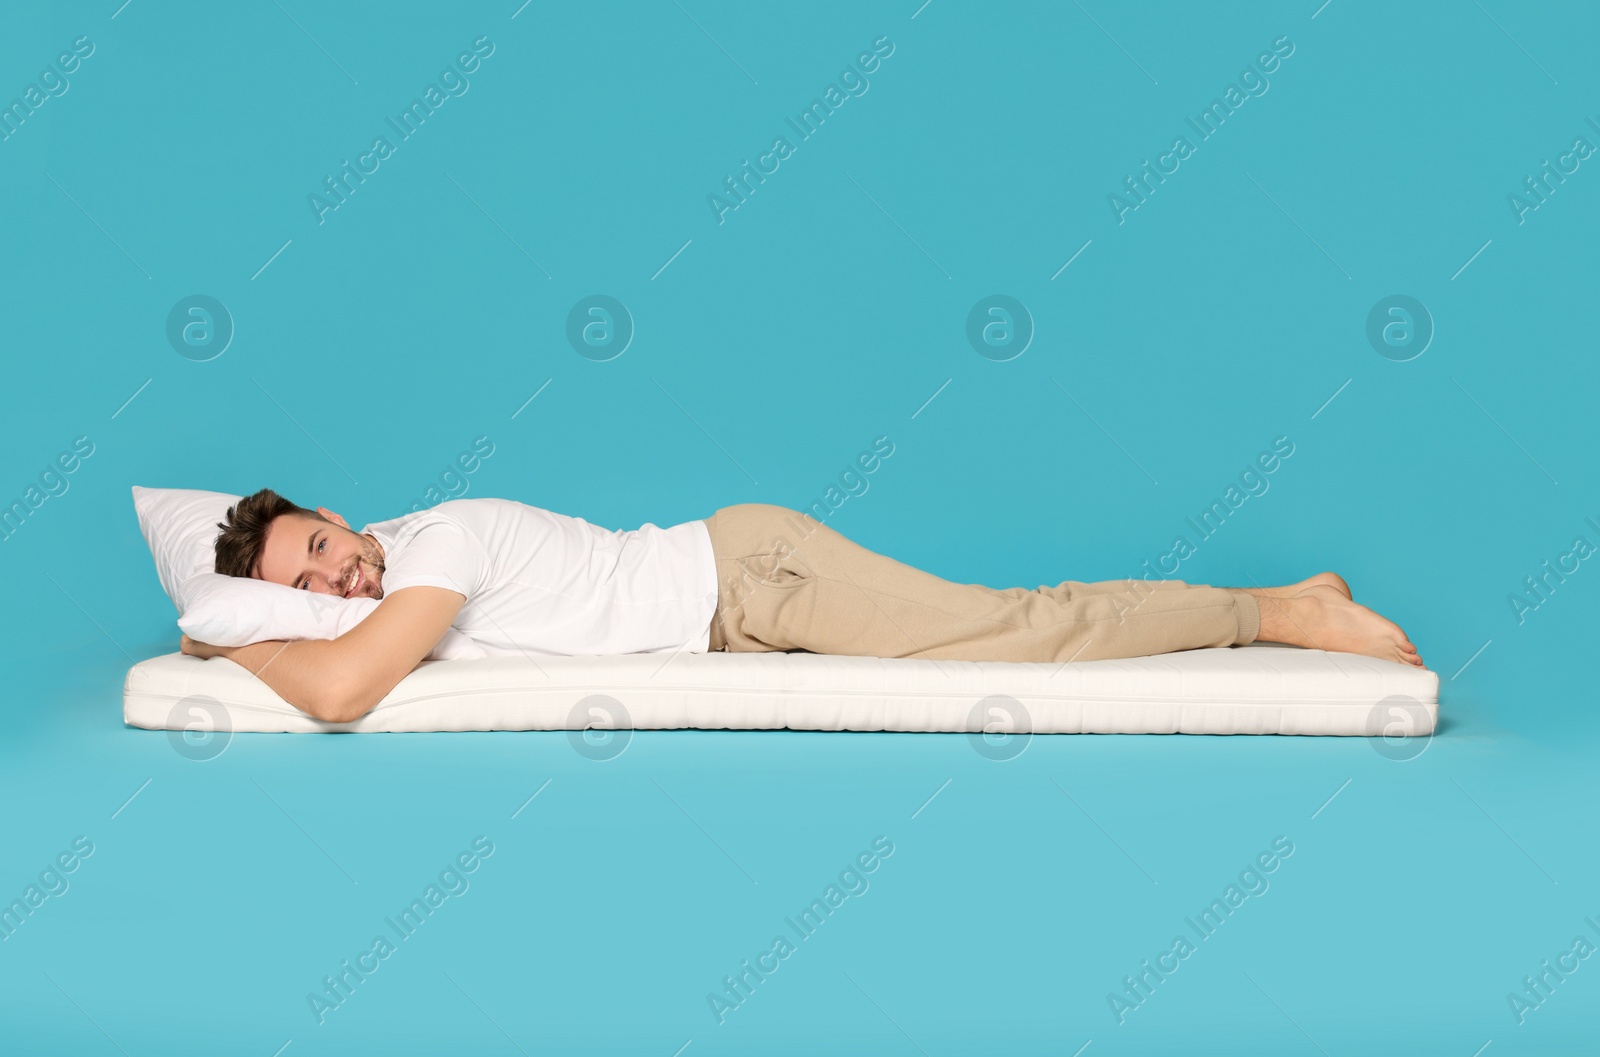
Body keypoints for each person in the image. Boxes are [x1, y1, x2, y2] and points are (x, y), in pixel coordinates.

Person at [179, 489, 1426, 723]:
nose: (338, 583)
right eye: (304, 587)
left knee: (1023, 632)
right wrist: (250, 620)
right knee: (1013, 614)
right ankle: (1283, 596)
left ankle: (1275, 611)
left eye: (324, 549)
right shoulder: (383, 578)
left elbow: (342, 690)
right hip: (737, 599)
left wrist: (234, 647)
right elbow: (338, 652)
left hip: (753, 579)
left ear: (347, 517)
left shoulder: (434, 541)